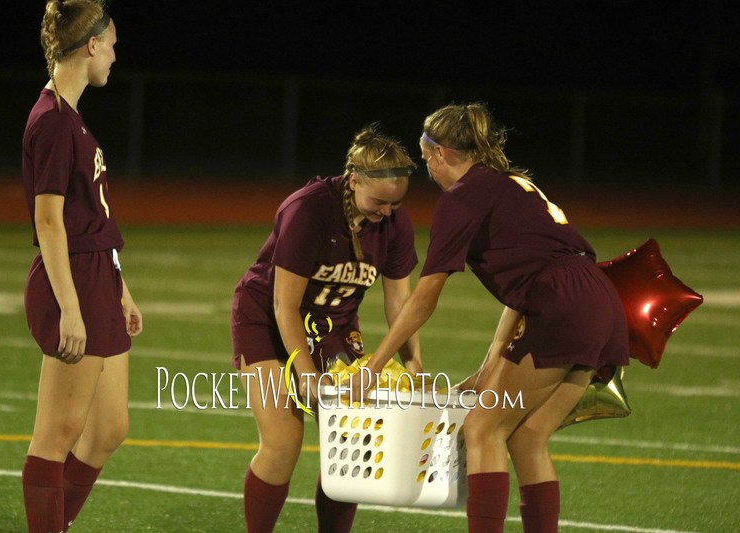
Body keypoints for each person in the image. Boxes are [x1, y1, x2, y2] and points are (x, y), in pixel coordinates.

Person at [360, 103, 629, 533]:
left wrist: (375, 365)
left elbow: (425, 296)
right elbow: (523, 288)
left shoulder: (461, 197)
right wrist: (488, 369)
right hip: (596, 297)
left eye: (426, 158)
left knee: (483, 428)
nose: (428, 169)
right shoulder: (509, 182)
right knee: (528, 435)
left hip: (560, 302)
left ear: (442, 152)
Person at [231, 125, 422, 533]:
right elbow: (284, 305)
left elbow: (399, 303)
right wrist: (306, 374)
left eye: (396, 203)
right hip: (267, 321)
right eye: (379, 202)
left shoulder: (394, 223)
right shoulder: (310, 209)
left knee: (353, 449)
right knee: (283, 444)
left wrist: (413, 359)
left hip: (333, 328)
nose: (388, 212)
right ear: (353, 180)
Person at [20, 2, 142, 532]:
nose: (113, 56)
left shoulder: (70, 117)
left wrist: (121, 288)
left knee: (110, 427)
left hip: (97, 276)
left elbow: (90, 217)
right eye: (110, 45)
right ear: (91, 45)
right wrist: (70, 308)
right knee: (56, 435)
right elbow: (49, 221)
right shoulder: (51, 121)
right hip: (72, 281)